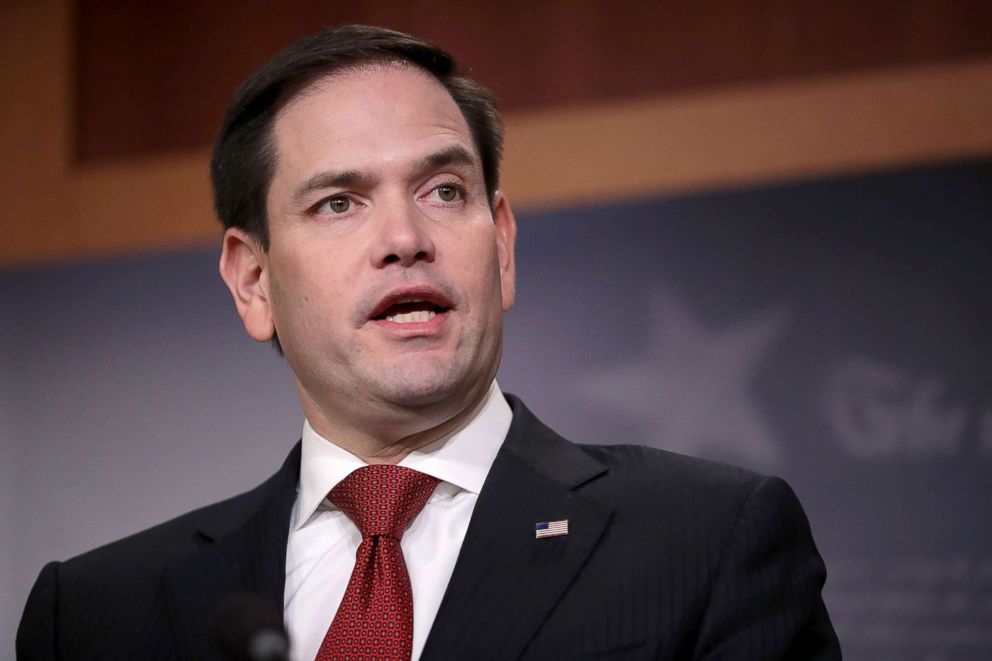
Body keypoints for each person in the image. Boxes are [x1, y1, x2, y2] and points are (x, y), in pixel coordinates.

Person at [17, 25, 840, 660]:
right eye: (340, 202)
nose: (405, 237)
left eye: (444, 190)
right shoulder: (96, 613)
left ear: (503, 245)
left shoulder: (706, 538)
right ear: (253, 280)